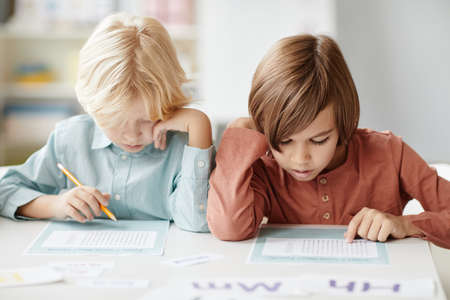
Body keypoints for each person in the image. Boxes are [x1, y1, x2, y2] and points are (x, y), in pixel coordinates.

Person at [207, 34, 450, 248]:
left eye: (319, 140)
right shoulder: (263, 163)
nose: (300, 159)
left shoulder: (389, 153)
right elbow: (229, 227)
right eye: (285, 141)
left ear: (343, 123)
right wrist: (237, 137)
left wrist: (406, 225)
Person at [0, 13, 214, 232]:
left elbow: (196, 221)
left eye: (147, 120)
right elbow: (5, 190)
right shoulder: (70, 138)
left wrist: (199, 125)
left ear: (168, 102)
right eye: (116, 121)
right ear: (93, 106)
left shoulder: (185, 145)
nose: (131, 135)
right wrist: (56, 205)